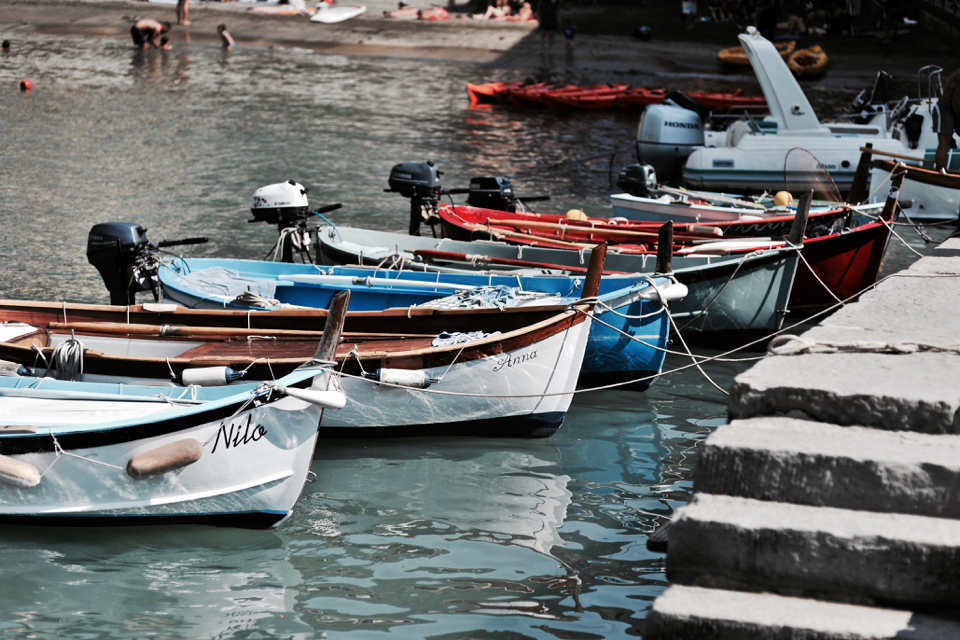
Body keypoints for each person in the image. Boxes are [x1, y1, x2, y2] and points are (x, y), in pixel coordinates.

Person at [934, 68, 960, 171]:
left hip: (956, 108)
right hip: (945, 107)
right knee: (945, 142)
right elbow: (957, 102)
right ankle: (941, 174)